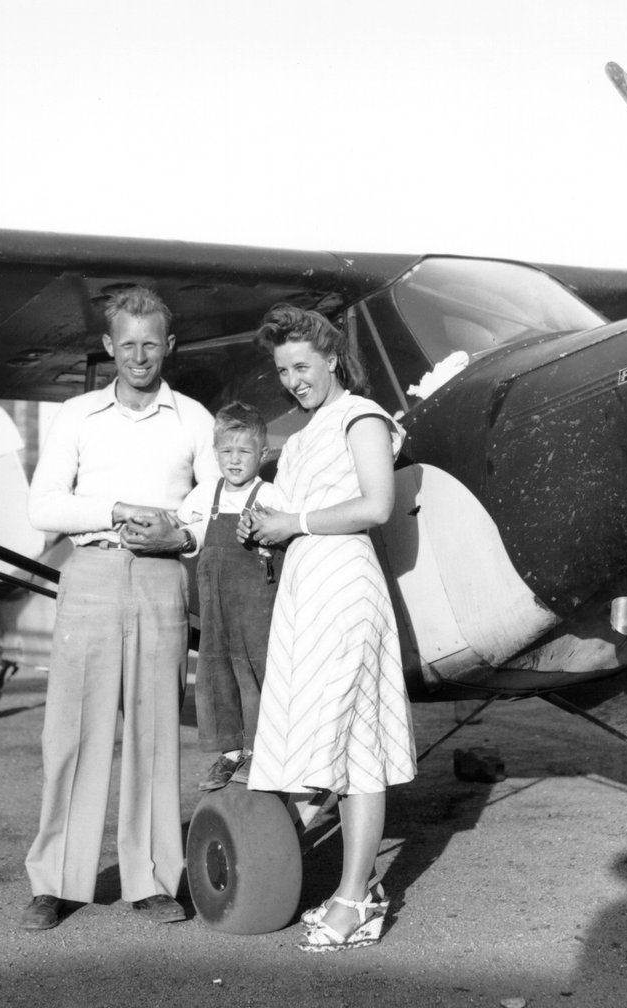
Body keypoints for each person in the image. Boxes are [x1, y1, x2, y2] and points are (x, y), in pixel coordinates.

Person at [21, 285, 217, 931]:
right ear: (109, 346)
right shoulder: (77, 415)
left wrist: (179, 535)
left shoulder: (194, 419)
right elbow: (44, 505)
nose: (139, 356)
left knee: (157, 731)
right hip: (93, 572)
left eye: (150, 343)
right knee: (72, 732)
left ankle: (154, 879)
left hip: (162, 579)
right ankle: (56, 881)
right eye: (126, 344)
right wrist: (115, 509)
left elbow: (212, 508)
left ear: (169, 345)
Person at [239, 303, 416, 952]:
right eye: (283, 369)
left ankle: (354, 899)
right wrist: (262, 528)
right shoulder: (305, 435)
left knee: (355, 746)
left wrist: (294, 523)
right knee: (340, 750)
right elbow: (283, 513)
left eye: (303, 365)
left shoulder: (361, 417)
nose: (293, 379)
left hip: (345, 591)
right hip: (307, 592)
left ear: (333, 358)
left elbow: (376, 503)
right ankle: (358, 894)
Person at [176, 401, 278, 791]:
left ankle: (257, 749)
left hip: (255, 606)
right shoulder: (206, 493)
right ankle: (229, 751)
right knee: (216, 671)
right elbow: (184, 531)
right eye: (226, 451)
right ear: (215, 452)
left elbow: (282, 536)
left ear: (262, 454)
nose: (234, 460)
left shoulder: (271, 492)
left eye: (245, 451)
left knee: (254, 672)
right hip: (215, 607)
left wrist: (265, 533)